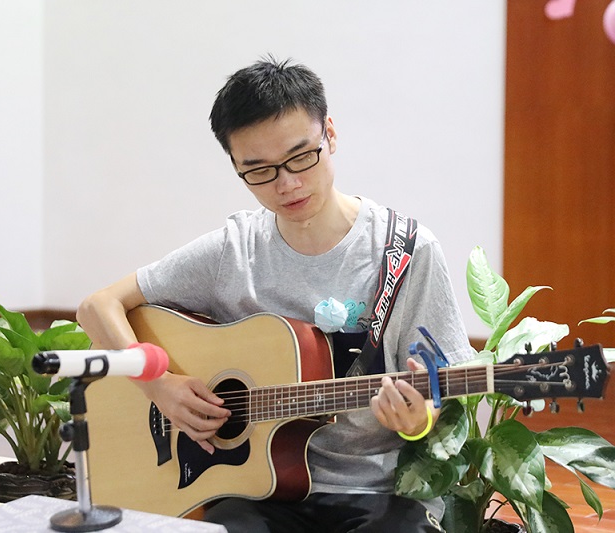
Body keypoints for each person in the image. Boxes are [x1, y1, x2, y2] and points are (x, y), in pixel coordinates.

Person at [77, 56, 472, 533]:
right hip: (255, 492)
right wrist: (160, 386)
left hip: (377, 492)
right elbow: (98, 306)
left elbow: (437, 390)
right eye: (259, 170)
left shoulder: (406, 251)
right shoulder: (234, 250)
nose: (287, 184)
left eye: (301, 157)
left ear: (330, 134)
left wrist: (416, 420)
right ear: (236, 166)